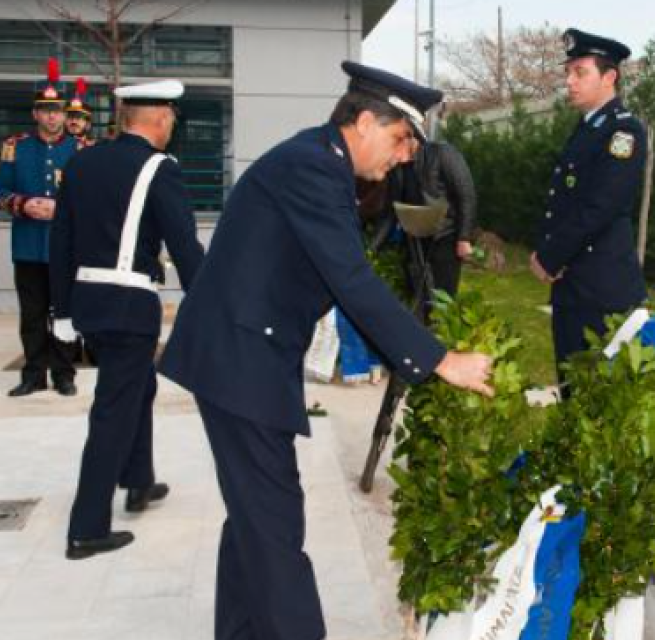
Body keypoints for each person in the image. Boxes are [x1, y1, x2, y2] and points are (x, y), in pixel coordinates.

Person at [159, 61, 495, 640]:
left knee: (254, 522)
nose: (404, 156)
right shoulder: (313, 169)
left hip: (244, 355)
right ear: (364, 122)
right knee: (275, 530)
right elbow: (352, 280)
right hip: (242, 362)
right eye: (398, 139)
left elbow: (335, 275)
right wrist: (440, 360)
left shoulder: (318, 163)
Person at [51, 79, 205, 560]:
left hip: (90, 304)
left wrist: (62, 310)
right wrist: (207, 302)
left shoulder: (81, 161)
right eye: (172, 118)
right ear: (158, 119)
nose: (172, 125)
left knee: (139, 386)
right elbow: (184, 246)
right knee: (114, 409)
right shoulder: (160, 169)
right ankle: (87, 527)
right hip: (128, 305)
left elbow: (61, 241)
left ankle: (138, 480)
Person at [530, 28, 648, 387]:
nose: (570, 81)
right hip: (574, 284)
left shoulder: (622, 132)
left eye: (580, 72)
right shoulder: (587, 128)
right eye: (569, 72)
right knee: (571, 387)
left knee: (598, 398)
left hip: (602, 290)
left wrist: (549, 256)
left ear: (609, 76)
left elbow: (599, 208)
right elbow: (564, 204)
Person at [0, 57, 88, 397]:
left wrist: (62, 208)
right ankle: (33, 373)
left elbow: (92, 198)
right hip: (28, 244)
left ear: (64, 114)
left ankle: (64, 373)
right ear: (35, 114)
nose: (51, 116)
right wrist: (21, 204)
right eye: (45, 110)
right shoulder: (15, 147)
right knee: (31, 314)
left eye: (57, 110)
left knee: (65, 312)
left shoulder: (81, 149)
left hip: (66, 247)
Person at [387, 130, 478, 296]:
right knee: (417, 294)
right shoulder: (396, 168)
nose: (393, 152)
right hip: (414, 242)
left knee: (443, 296)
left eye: (396, 145)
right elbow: (391, 209)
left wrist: (464, 238)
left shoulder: (443, 153)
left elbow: (466, 194)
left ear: (410, 137)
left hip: (444, 237)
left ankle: (440, 322)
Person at [64, 76, 95, 142]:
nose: (74, 121)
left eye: (78, 118)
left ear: (88, 124)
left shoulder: (95, 147)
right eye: (70, 117)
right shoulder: (54, 146)